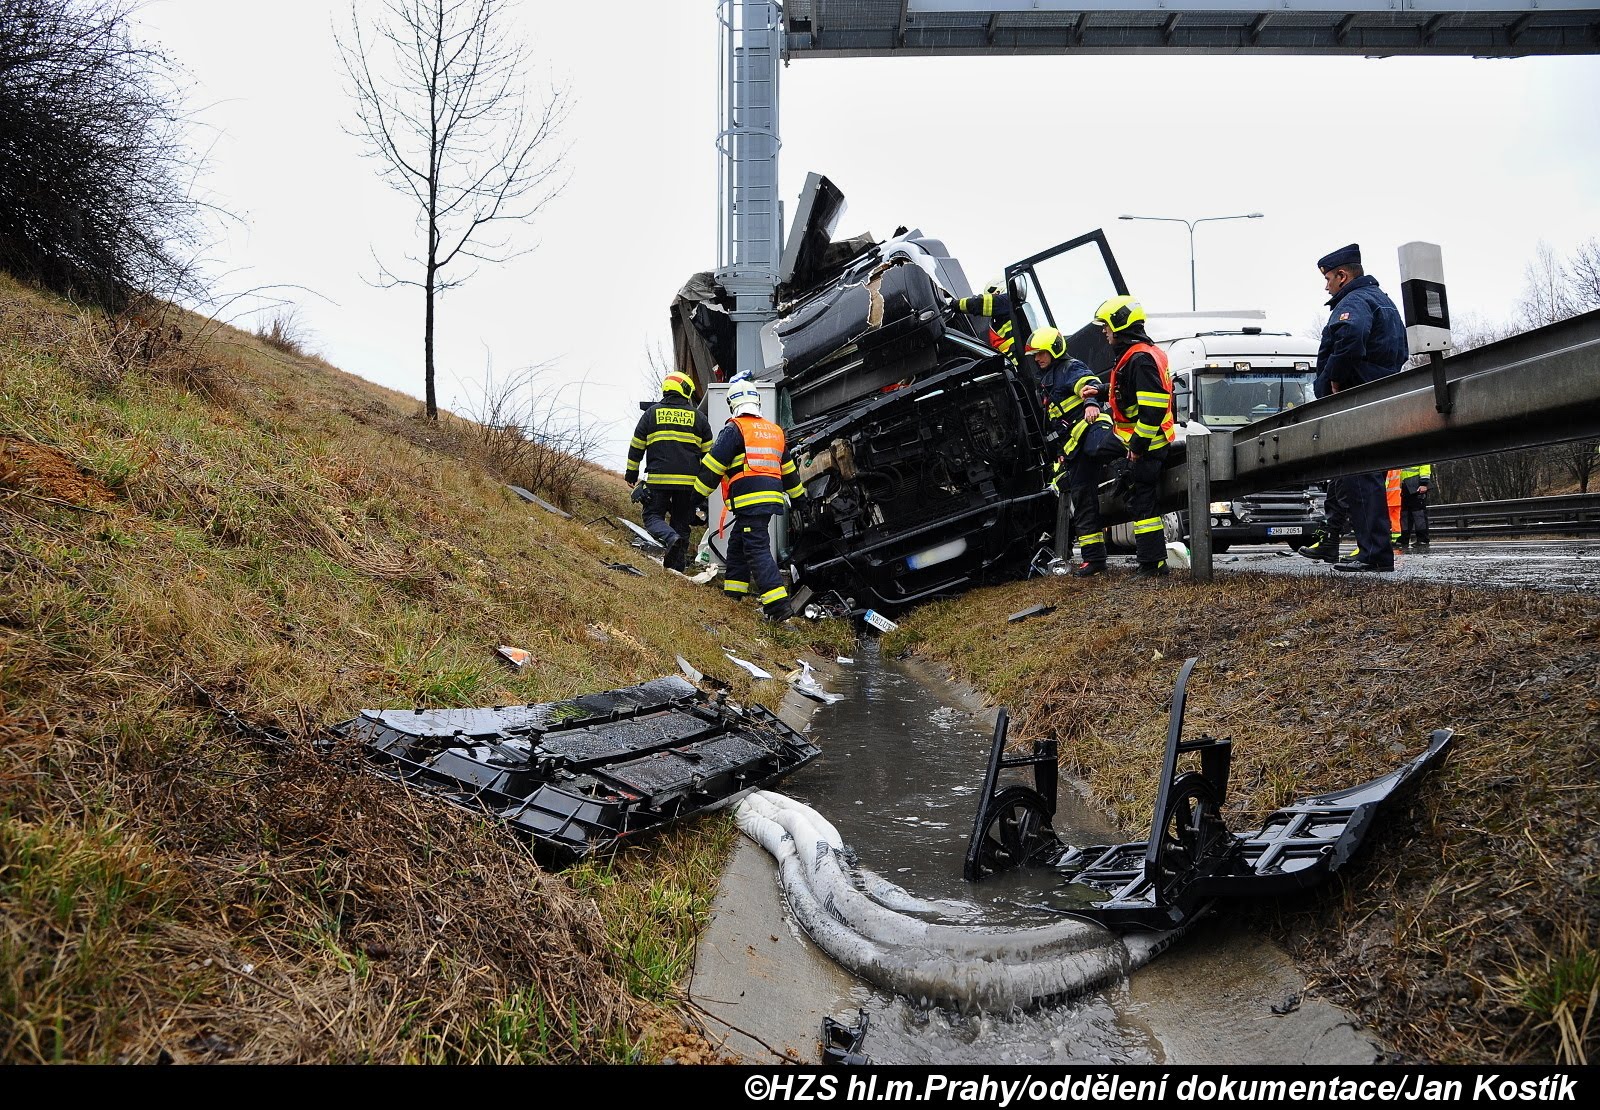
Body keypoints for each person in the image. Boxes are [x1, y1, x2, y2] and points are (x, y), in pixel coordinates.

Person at [1307, 243, 1410, 573]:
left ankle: (1373, 554)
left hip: (1356, 398)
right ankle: (1374, 550)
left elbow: (1351, 334)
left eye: (1328, 279)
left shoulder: (1355, 301)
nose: (1326, 286)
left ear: (1342, 274)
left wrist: (1336, 377)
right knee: (1368, 476)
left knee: (1359, 475)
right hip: (1380, 394)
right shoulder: (1384, 301)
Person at [692, 379, 806, 621]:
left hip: (749, 499)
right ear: (757, 402)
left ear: (732, 403)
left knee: (756, 548)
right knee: (738, 543)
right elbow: (789, 473)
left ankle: (777, 606)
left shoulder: (735, 429)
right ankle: (734, 593)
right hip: (769, 499)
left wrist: (695, 497)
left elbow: (712, 467)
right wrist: (800, 500)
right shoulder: (775, 431)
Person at [1096, 295, 1176, 578]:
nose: (1104, 331)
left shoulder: (1140, 359)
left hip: (1147, 445)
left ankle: (1152, 565)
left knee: (1144, 504)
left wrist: (1138, 448)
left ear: (1120, 324)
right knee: (1137, 499)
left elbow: (1152, 409)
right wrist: (1099, 390)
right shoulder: (1141, 354)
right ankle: (1150, 562)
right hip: (1141, 442)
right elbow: (1129, 390)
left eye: (1106, 326)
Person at [624, 371, 713, 572]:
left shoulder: (651, 414)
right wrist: (705, 487)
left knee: (652, 516)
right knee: (681, 523)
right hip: (689, 485)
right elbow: (709, 455)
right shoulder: (699, 418)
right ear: (686, 390)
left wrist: (631, 474)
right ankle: (676, 569)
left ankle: (670, 538)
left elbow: (636, 446)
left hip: (659, 480)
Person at [1398, 463, 1434, 552]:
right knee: (1405, 515)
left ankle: (1422, 539)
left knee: (1418, 514)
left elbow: (1425, 466)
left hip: (1416, 485)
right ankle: (1405, 538)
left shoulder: (1418, 452)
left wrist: (1424, 483)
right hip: (1407, 486)